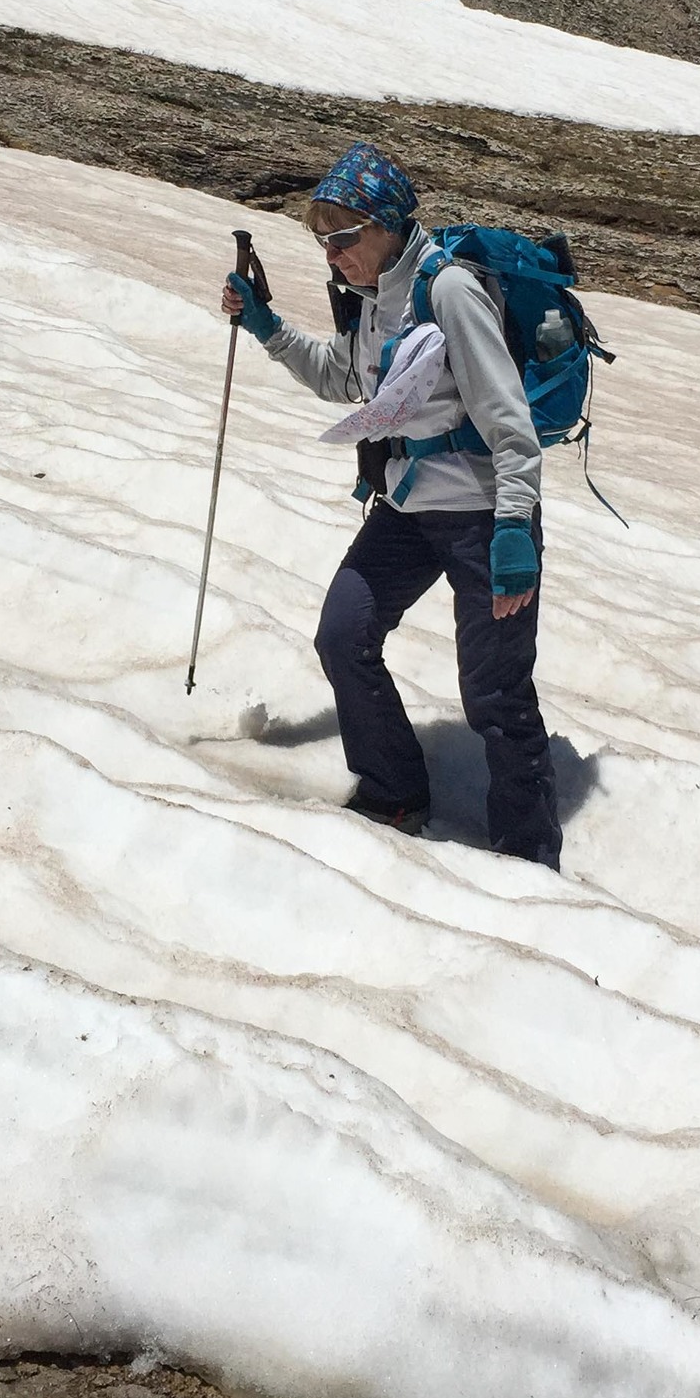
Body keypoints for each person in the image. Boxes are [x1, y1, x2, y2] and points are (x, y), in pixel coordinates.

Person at [219, 142, 563, 870]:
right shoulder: (374, 299)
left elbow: (510, 423)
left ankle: (529, 858)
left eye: (344, 236)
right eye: (323, 238)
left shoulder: (449, 291)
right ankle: (394, 792)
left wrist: (513, 531)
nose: (333, 252)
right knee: (344, 634)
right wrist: (267, 327)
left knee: (495, 693)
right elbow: (347, 382)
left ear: (388, 225)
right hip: (407, 509)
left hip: (482, 515)